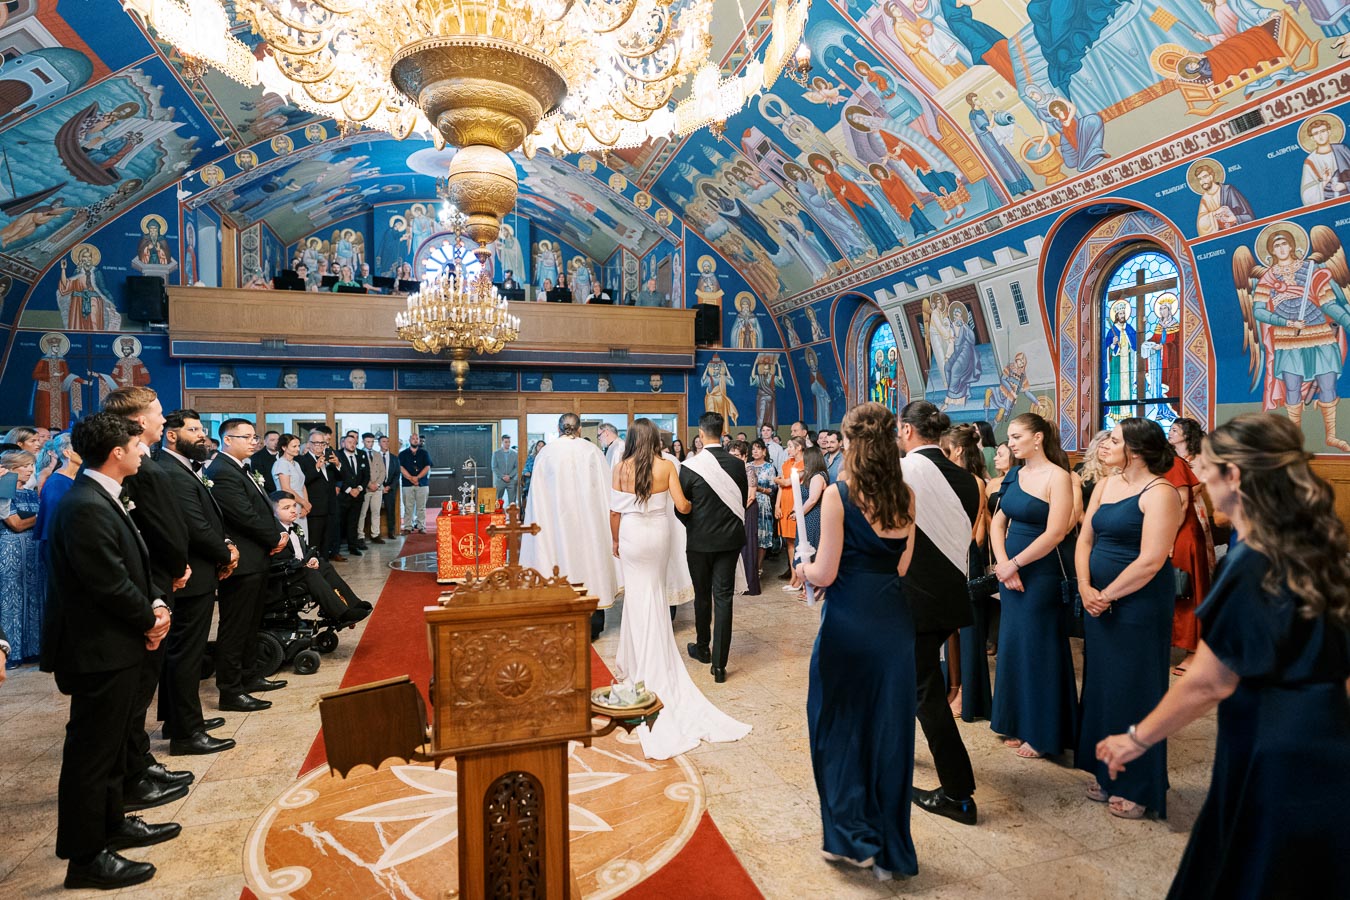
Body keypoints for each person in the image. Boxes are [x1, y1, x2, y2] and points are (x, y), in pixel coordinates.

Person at [1097, 413, 1350, 897]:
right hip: (1329, 736)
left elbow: (1209, 681)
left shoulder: (1251, 561)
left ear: (1235, 476)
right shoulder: (1320, 548)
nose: (1204, 485)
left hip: (1272, 741)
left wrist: (1136, 738)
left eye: (1209, 473)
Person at [43, 413, 178, 890]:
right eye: (134, 444)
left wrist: (155, 601)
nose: (143, 450)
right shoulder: (85, 504)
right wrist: (149, 618)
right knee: (91, 754)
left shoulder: (103, 494)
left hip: (118, 643)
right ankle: (85, 856)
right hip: (98, 648)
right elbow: (105, 582)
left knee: (115, 742)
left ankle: (112, 822)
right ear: (116, 453)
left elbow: (130, 566)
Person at [798, 402, 917, 882]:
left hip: (848, 624)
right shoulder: (905, 496)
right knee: (887, 735)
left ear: (850, 442)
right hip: (893, 624)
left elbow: (824, 570)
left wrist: (804, 570)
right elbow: (903, 566)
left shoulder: (838, 495)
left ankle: (851, 836)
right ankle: (888, 846)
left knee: (836, 727)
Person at [610, 419, 750, 758]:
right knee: (654, 594)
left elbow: (614, 511)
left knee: (635, 595)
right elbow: (683, 506)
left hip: (630, 535)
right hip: (657, 536)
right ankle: (653, 657)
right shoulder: (667, 465)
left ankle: (632, 662)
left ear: (630, 440)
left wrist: (615, 539)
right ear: (656, 439)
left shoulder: (619, 467)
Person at [1074, 419, 1183, 820]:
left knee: (1134, 689)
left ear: (1135, 450)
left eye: (1114, 440)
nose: (1105, 444)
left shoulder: (1161, 492)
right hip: (1097, 601)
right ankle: (1106, 770)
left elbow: (1152, 560)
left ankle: (1137, 783)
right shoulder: (1106, 484)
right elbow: (1086, 538)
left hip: (1137, 605)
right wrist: (1085, 586)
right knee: (1103, 687)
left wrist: (1107, 595)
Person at [102, 386, 194, 812]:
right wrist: (178, 567)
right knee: (139, 687)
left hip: (155, 582)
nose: (163, 420)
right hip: (153, 582)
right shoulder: (145, 469)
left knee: (146, 681)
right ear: (139, 421)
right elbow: (161, 528)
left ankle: (140, 761)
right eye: (157, 414)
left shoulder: (147, 462)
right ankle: (133, 771)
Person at [896, 401, 982, 825]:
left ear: (907, 431)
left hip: (912, 599)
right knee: (912, 680)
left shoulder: (902, 472)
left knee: (925, 691)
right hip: (950, 596)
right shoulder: (967, 480)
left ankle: (957, 792)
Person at [989, 413, 1078, 759]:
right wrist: (1002, 564)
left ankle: (1043, 731)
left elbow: (1056, 532)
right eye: (1009, 437)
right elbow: (998, 523)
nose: (1010, 443)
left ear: (1038, 437)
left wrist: (1016, 563)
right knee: (1013, 645)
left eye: (1016, 436)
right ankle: (1016, 720)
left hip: (1040, 572)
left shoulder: (1059, 477)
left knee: (1039, 647)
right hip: (1009, 570)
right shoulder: (1014, 474)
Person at [156, 409, 238, 756]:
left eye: (202, 429)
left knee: (184, 653)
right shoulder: (171, 470)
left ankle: (181, 720)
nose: (201, 436)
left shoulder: (183, 467)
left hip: (200, 570)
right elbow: (193, 525)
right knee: (186, 654)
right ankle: (186, 733)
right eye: (193, 430)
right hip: (190, 573)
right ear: (171, 435)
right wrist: (225, 552)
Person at [208, 418, 289, 713]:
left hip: (258, 557)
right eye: (247, 437)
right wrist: (274, 536)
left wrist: (278, 533)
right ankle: (230, 691)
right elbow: (242, 515)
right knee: (236, 626)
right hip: (243, 560)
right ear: (227, 440)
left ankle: (250, 675)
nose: (253, 442)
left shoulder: (241, 468)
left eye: (254, 437)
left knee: (253, 622)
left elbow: (262, 507)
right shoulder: (221, 471)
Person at [521, 413, 619, 639]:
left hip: (556, 523)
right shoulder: (592, 451)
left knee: (560, 562)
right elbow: (606, 492)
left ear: (558, 428)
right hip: (589, 524)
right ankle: (593, 625)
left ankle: (562, 621)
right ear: (580, 429)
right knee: (591, 566)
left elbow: (537, 497)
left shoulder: (546, 454)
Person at [677, 412, 749, 683]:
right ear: (723, 431)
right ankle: (719, 666)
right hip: (729, 541)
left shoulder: (690, 466)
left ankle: (702, 648)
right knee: (724, 597)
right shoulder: (737, 465)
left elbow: (681, 507)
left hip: (699, 541)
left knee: (702, 595)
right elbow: (739, 501)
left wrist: (694, 526)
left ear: (701, 432)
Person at [939, 424, 993, 723]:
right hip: (946, 555)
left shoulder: (973, 481)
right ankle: (952, 685)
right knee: (949, 628)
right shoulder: (945, 479)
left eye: (945, 448)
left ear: (957, 449)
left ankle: (967, 694)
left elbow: (979, 532)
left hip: (965, 555)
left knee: (967, 628)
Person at [269, 491, 372, 624]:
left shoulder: (295, 527)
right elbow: (278, 560)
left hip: (300, 569)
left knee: (324, 566)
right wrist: (302, 565)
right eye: (286, 508)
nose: (293, 510)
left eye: (294, 506)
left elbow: (306, 551)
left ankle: (353, 603)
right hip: (285, 577)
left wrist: (313, 559)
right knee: (309, 572)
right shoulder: (273, 533)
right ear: (273, 512)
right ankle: (341, 613)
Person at [1165, 418, 1215, 675]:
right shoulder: (1168, 458)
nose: (1171, 432)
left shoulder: (1199, 459)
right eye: (1170, 429)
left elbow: (1191, 494)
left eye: (1176, 430)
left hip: (1190, 515)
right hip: (1170, 513)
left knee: (1189, 579)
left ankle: (1194, 647)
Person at [0, 450, 41, 666]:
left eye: (31, 465)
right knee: (11, 600)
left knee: (33, 598)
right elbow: (15, 524)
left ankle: (32, 649)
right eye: (25, 465)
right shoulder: (3, 492)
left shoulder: (31, 492)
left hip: (32, 552)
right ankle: (10, 653)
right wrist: (42, 516)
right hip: (9, 551)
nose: (29, 469)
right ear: (11, 468)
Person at [795, 444, 829, 598]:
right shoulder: (812, 475)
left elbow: (813, 499)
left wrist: (799, 513)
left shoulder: (817, 476)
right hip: (808, 516)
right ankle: (807, 587)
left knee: (810, 550)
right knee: (805, 550)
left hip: (813, 517)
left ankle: (814, 589)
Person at [299, 428, 340, 556]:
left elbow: (341, 478)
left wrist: (338, 464)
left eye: (323, 443)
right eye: (316, 443)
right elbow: (303, 481)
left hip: (330, 507)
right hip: (315, 509)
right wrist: (317, 467)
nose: (320, 446)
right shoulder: (302, 460)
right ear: (309, 444)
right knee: (314, 542)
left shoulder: (328, 459)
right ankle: (313, 568)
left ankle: (324, 567)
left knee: (327, 542)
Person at [728, 439, 760, 596]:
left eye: (736, 455)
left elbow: (751, 496)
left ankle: (749, 585)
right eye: (731, 454)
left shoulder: (749, 470)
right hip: (736, 510)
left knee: (747, 545)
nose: (733, 457)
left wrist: (737, 510)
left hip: (747, 510)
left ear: (744, 456)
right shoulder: (730, 469)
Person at [775, 436, 805, 587]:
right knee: (789, 542)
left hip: (797, 503)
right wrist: (777, 505)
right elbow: (782, 486)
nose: (788, 449)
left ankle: (801, 577)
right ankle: (793, 576)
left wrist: (777, 480)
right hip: (785, 502)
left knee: (799, 540)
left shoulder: (806, 463)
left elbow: (786, 482)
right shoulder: (787, 463)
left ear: (799, 447)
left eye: (791, 446)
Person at [335, 432, 370, 556]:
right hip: (344, 496)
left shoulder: (362, 454)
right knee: (339, 523)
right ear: (343, 443)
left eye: (354, 442)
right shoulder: (337, 455)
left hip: (358, 495)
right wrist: (350, 489)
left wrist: (359, 488)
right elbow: (337, 475)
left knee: (353, 522)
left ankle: (353, 546)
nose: (352, 444)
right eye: (349, 442)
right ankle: (336, 549)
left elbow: (366, 475)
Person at [747, 439, 777, 579]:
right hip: (748, 502)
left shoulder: (769, 467)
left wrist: (759, 489)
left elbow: (773, 490)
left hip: (763, 504)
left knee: (762, 537)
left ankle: (758, 568)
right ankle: (748, 567)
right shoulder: (747, 466)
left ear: (764, 451)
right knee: (749, 536)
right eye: (753, 449)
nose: (755, 451)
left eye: (758, 448)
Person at [272, 433, 310, 536]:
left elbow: (302, 485)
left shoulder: (296, 463)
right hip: (288, 503)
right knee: (292, 534)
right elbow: (286, 488)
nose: (298, 449)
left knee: (302, 535)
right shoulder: (281, 463)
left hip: (300, 504)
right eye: (294, 446)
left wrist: (305, 505)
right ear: (284, 447)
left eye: (298, 446)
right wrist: (304, 502)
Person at [399, 432, 432, 533]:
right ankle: (408, 527)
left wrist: (417, 478)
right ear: (409, 440)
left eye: (416, 438)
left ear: (419, 440)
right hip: (407, 484)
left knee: (421, 507)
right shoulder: (403, 454)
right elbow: (401, 468)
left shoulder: (424, 453)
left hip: (422, 484)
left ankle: (421, 526)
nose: (415, 440)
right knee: (408, 507)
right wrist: (411, 478)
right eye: (413, 438)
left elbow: (427, 466)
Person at [359, 432, 386, 543]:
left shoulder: (377, 454)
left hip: (377, 488)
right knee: (362, 513)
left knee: (376, 512)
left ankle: (375, 534)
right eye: (368, 442)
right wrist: (369, 484)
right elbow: (359, 473)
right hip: (365, 488)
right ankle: (360, 535)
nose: (370, 444)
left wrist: (377, 484)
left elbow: (382, 471)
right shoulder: (359, 454)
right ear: (363, 442)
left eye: (372, 442)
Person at [377, 435, 400, 538]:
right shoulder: (375, 456)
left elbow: (397, 474)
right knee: (376, 510)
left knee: (390, 510)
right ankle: (376, 533)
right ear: (379, 443)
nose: (386, 443)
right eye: (383, 441)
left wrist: (389, 487)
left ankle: (391, 531)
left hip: (390, 488)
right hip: (377, 488)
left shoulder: (394, 458)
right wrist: (380, 487)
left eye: (387, 441)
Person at [492, 434, 518, 505]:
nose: (508, 444)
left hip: (511, 480)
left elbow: (517, 467)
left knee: (512, 501)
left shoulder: (515, 454)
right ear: (502, 442)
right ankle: (498, 514)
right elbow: (494, 467)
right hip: (500, 480)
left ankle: (512, 515)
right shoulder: (496, 453)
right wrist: (502, 476)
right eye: (506, 442)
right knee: (498, 500)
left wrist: (510, 476)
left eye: (509, 442)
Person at [521, 438, 545, 511]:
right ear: (536, 447)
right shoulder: (531, 457)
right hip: (531, 477)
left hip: (542, 478)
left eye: (542, 446)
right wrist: (526, 472)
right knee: (527, 485)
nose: (540, 447)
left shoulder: (546, 457)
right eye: (539, 446)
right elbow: (525, 469)